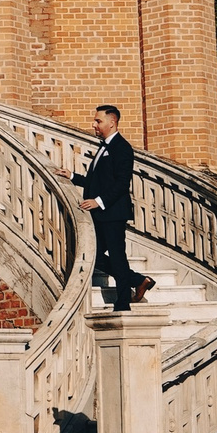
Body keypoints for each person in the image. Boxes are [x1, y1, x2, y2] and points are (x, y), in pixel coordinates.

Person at [72, 104, 154, 311]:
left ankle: (123, 303)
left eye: (98, 121)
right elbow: (97, 181)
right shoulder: (103, 147)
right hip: (100, 214)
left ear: (112, 122)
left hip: (113, 213)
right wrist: (72, 177)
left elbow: (121, 184)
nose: (94, 124)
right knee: (96, 256)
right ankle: (138, 280)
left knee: (118, 257)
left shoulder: (122, 148)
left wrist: (98, 201)